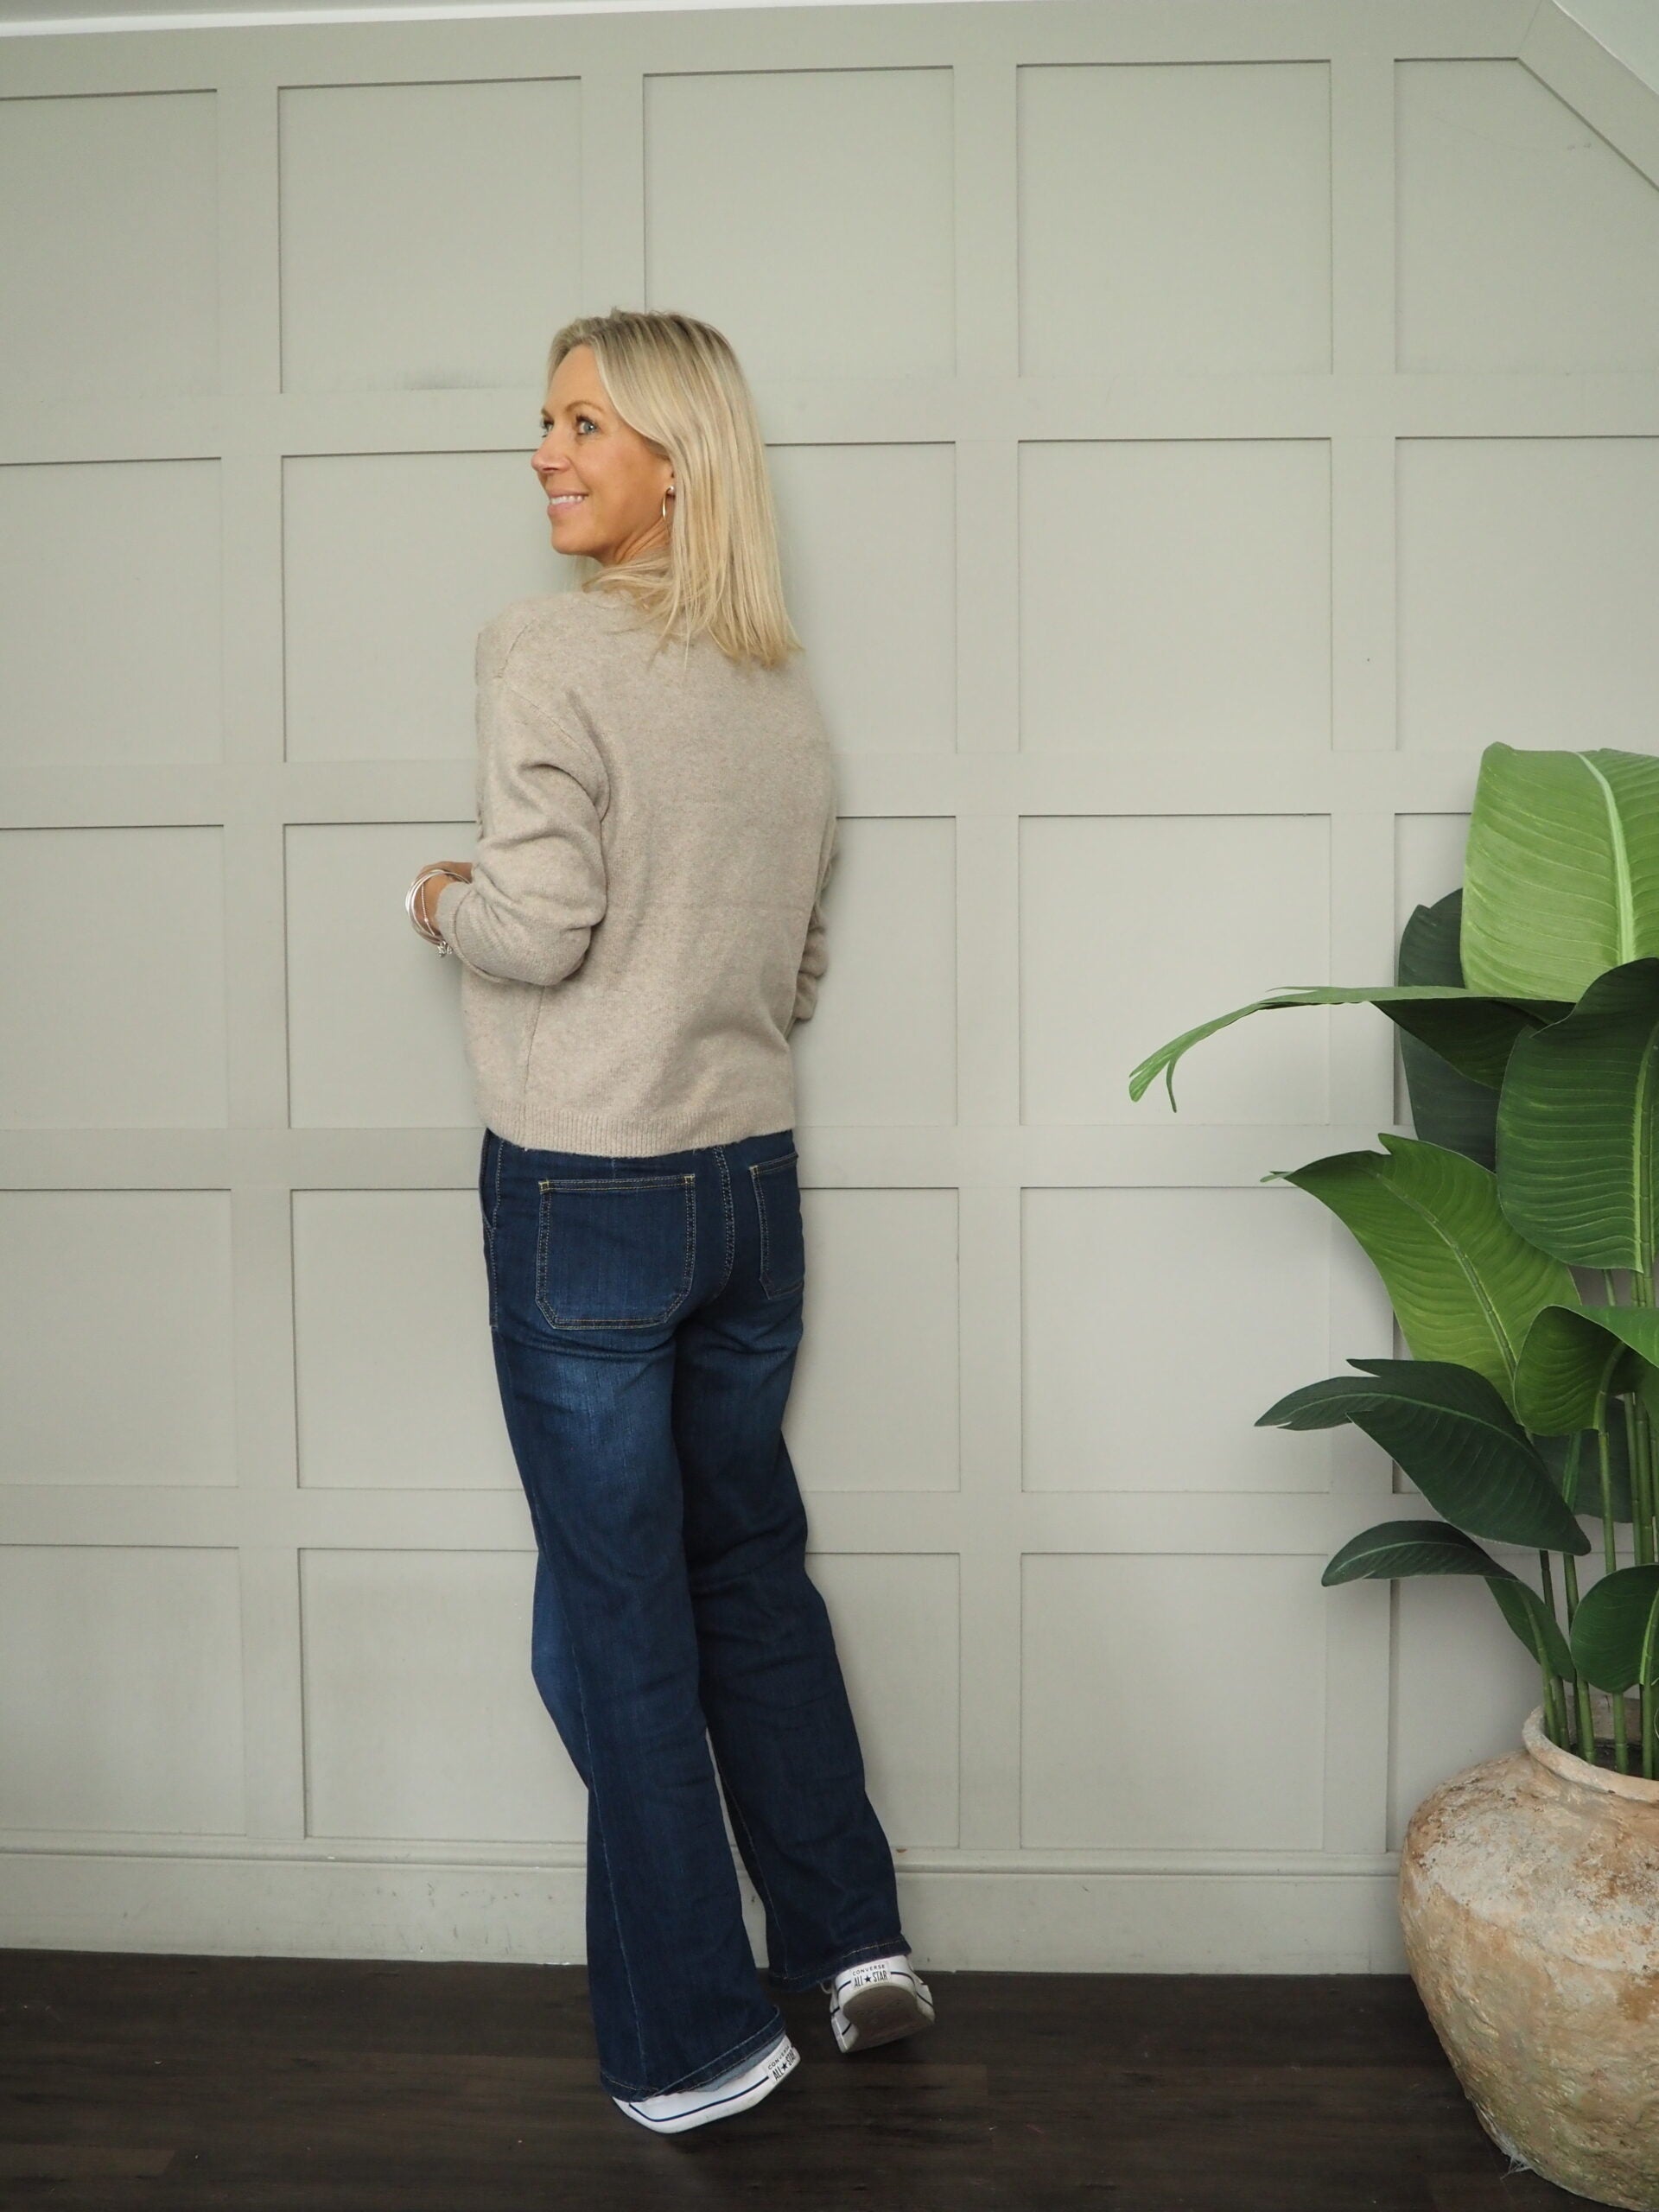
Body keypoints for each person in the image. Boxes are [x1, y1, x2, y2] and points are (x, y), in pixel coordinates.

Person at [404, 310, 934, 2135]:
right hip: (748, 1182)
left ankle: (700, 2039)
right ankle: (855, 1941)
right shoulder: (777, 688)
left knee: (615, 1615)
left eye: (584, 424)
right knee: (746, 1570)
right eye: (544, 420)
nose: (544, 453)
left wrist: (437, 897)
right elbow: (793, 969)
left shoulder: (543, 647)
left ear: (676, 462)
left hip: (590, 1188)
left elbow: (541, 926)